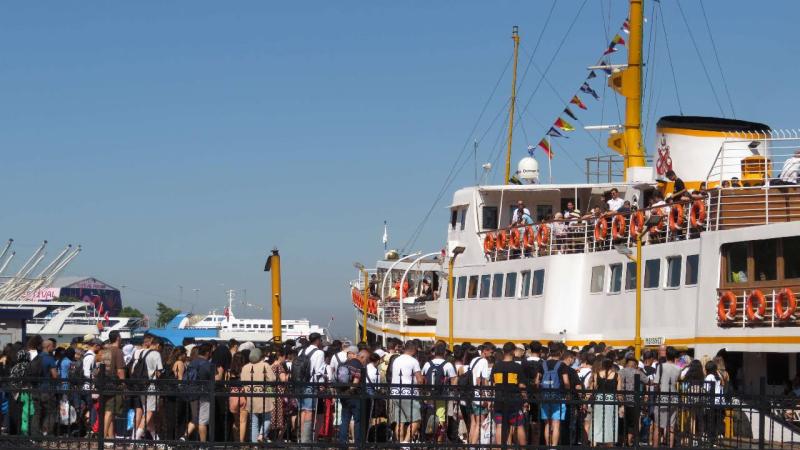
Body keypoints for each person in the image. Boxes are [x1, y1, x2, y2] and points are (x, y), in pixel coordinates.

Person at [490, 342, 527, 446]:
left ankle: (500, 447)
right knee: (519, 425)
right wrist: (525, 399)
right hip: (514, 401)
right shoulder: (517, 367)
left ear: (503, 352)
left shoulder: (496, 366)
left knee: (499, 425)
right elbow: (521, 386)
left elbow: (492, 384)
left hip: (499, 400)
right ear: (513, 352)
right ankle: (523, 447)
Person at [389, 341, 423, 446]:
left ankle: (400, 443)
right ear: (414, 349)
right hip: (408, 393)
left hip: (395, 392)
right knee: (416, 420)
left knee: (400, 421)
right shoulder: (414, 361)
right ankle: (406, 443)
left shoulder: (396, 360)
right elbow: (420, 380)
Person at [537, 342, 570, 447]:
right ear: (560, 353)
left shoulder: (543, 364)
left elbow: (537, 381)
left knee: (547, 424)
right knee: (556, 424)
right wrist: (568, 392)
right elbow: (566, 382)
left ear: (550, 351)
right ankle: (554, 447)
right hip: (558, 396)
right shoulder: (562, 365)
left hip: (545, 396)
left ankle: (548, 445)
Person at [421, 344, 456, 443]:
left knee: (430, 416)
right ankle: (439, 440)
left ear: (434, 352)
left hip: (429, 395)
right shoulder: (447, 364)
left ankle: (429, 438)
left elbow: (423, 378)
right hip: (442, 395)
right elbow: (454, 379)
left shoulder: (427, 364)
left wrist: (423, 391)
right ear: (444, 352)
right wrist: (452, 392)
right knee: (441, 417)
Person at [241, 347, 275, 444]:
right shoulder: (265, 365)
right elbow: (272, 379)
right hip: (264, 395)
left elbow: (243, 382)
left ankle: (254, 444)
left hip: (250, 396)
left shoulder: (245, 367)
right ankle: (261, 435)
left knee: (254, 422)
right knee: (268, 417)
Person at [651, 347, 682, 448]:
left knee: (657, 425)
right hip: (673, 397)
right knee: (671, 426)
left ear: (666, 355)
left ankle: (656, 446)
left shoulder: (661, 366)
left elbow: (656, 383)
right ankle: (670, 446)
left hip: (662, 397)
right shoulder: (679, 368)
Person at [183, 343, 214, 442]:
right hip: (203, 394)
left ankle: (184, 437)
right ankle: (203, 444)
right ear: (208, 353)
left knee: (195, 418)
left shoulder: (192, 363)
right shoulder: (207, 364)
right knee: (202, 421)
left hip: (192, 393)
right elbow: (213, 380)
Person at [298, 332, 325, 445]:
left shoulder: (301, 351)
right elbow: (319, 371)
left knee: (302, 411)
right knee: (309, 412)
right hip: (311, 384)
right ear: (318, 340)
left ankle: (300, 437)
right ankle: (306, 439)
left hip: (299, 384)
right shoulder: (319, 353)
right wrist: (321, 384)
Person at [337, 346, 367, 446]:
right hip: (354, 396)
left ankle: (342, 442)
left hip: (343, 395)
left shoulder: (344, 364)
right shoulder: (357, 364)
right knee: (357, 420)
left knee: (345, 419)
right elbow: (356, 381)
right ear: (359, 356)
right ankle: (358, 443)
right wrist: (351, 390)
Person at [100, 330, 126, 441]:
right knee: (110, 412)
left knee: (108, 411)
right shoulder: (118, 352)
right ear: (118, 338)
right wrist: (124, 384)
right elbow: (120, 370)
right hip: (114, 384)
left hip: (104, 384)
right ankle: (103, 438)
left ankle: (110, 438)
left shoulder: (105, 351)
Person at [590, 357, 621, 447]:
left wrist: (585, 399)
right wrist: (622, 405)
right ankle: (609, 443)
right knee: (610, 423)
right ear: (612, 365)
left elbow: (592, 388)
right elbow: (619, 392)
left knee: (597, 421)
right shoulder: (617, 375)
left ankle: (594, 442)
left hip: (599, 400)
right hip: (611, 401)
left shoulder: (597, 374)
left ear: (602, 365)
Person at [468, 343, 494, 445]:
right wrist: (485, 397)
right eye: (491, 352)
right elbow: (481, 379)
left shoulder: (474, 360)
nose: (491, 354)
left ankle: (470, 444)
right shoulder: (484, 361)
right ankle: (474, 446)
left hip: (472, 394)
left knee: (474, 423)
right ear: (485, 351)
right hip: (479, 396)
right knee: (480, 424)